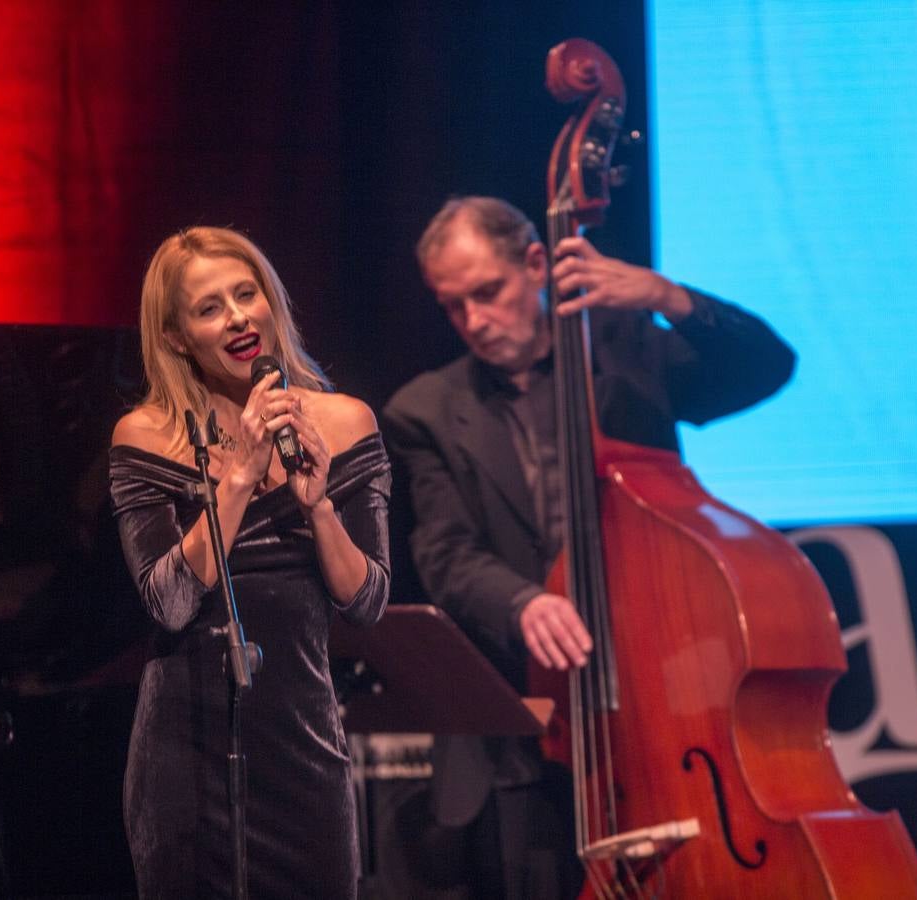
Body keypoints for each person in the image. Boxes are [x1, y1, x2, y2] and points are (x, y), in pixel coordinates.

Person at [381, 196, 796, 897]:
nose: (475, 321)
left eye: (489, 292)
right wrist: (522, 605)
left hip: (656, 711)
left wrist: (672, 298)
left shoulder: (630, 360)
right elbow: (445, 553)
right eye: (454, 306)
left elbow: (768, 366)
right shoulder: (421, 410)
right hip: (525, 733)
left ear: (537, 264)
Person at [109, 226, 391, 898]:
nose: (236, 316)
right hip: (188, 754)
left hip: (303, 751)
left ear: (271, 304)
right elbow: (171, 601)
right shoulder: (146, 436)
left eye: (246, 294)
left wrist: (318, 506)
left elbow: (369, 601)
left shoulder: (345, 422)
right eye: (209, 308)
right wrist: (238, 477)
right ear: (178, 336)